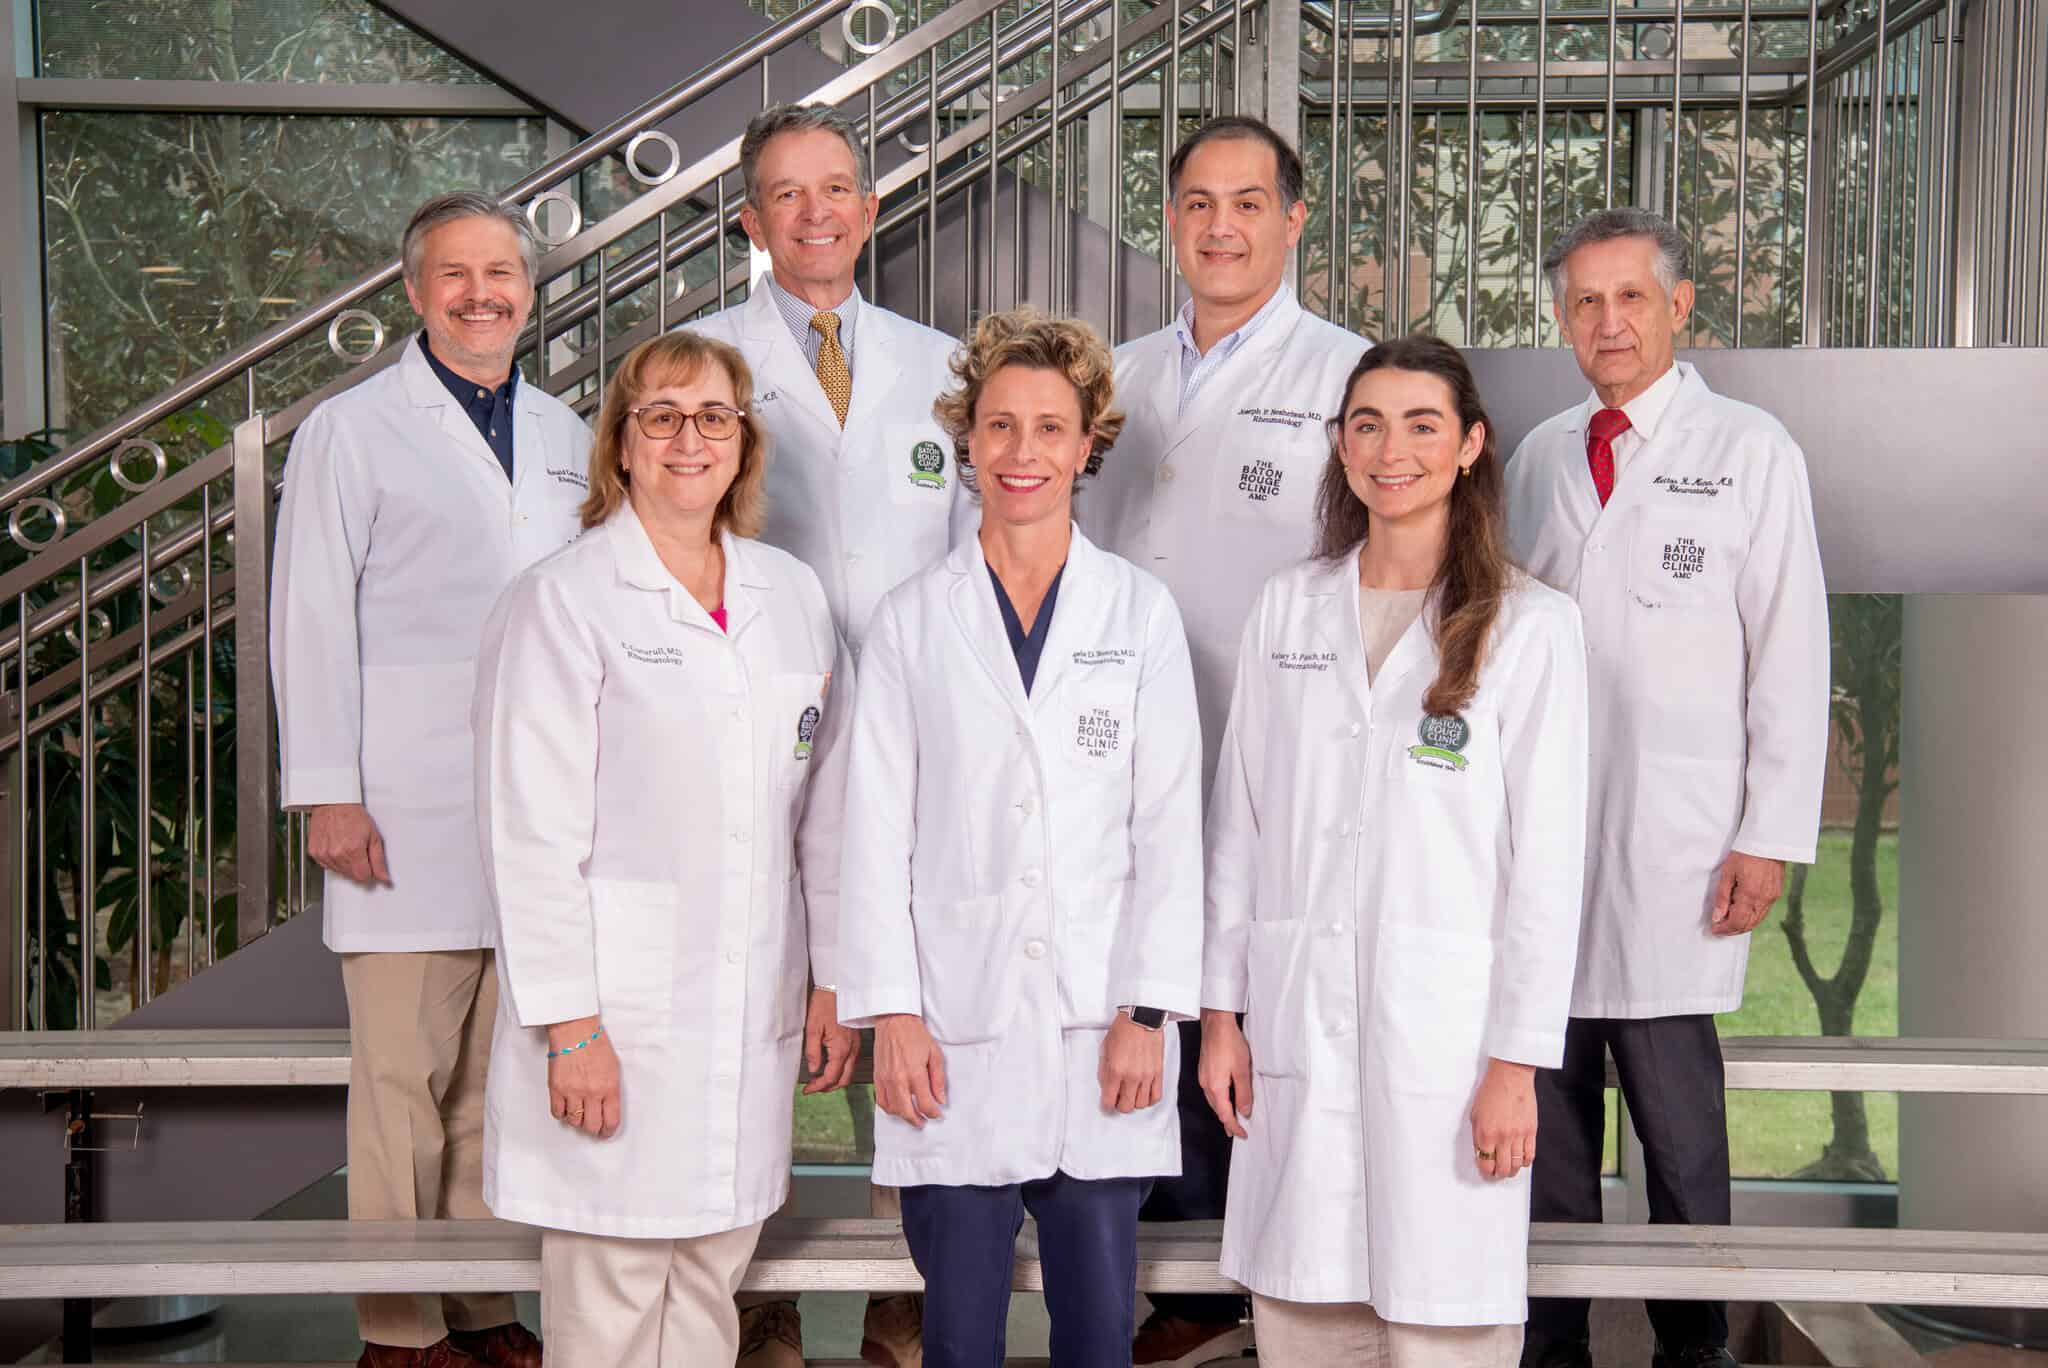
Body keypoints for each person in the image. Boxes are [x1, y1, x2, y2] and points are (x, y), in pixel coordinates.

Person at [471, 331, 859, 1366]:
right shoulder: (563, 599)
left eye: (714, 417)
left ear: (743, 445)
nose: (690, 438)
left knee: (704, 1295)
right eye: (662, 416)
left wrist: (831, 979)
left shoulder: (793, 597)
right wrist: (569, 1028)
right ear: (622, 445)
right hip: (616, 1020)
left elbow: (824, 809)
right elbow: (529, 833)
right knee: (606, 1309)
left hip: (747, 1014)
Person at [1200, 335, 1589, 1365]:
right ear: (1337, 445)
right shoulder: (1288, 607)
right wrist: (1218, 1013)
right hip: (1296, 1027)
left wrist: (1514, 1067)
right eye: (1365, 424)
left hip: (1449, 1045)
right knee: (1304, 1310)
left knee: (1440, 1316)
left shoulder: (1532, 628)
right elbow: (1237, 823)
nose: (1391, 449)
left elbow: (1546, 871)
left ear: (1469, 445)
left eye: (1421, 424)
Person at [836, 310, 1204, 1368]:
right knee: (956, 1337)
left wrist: (1146, 1010)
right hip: (948, 1032)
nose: (1022, 452)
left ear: (1088, 442)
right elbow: (871, 833)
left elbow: (1169, 825)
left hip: (1104, 1033)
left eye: (1049, 427)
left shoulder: (1137, 614)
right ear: (966, 440)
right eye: (999, 426)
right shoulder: (911, 620)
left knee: (1097, 1337)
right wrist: (892, 1016)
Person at [1504, 208, 1830, 1368]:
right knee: (1546, 1136)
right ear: (1559, 318)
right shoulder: (1538, 455)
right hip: (1543, 843)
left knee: (1680, 1140)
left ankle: (1694, 1349)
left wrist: (1766, 834)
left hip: (1678, 845)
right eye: (1583, 302)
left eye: (1629, 298)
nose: (1606, 322)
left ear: (1678, 307)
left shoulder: (1748, 450)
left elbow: (1788, 653)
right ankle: (1552, 1348)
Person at [271, 190, 590, 1368]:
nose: (480, 295)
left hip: (533, 805)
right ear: (414, 293)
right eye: (453, 276)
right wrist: (329, 790)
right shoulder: (351, 430)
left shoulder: (565, 433)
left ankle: (486, 1309)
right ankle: (398, 1332)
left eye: (500, 273)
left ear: (528, 288)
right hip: (398, 804)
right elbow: (307, 614)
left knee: (491, 1088)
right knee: (402, 1085)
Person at [1076, 112, 1370, 1364]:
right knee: (1133, 979)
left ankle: (1216, 1298)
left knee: (1233, 990)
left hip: (1272, 737)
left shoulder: (1344, 378)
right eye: (1196, 203)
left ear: (1292, 221)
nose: (1219, 227)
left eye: (1247, 203)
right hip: (1115, 735)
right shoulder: (1114, 379)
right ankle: (1146, 1280)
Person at [689, 98, 974, 1368]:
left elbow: (978, 545)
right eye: (787, 193)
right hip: (753, 718)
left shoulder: (941, 364)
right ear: (751, 221)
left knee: (901, 1001)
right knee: (761, 1002)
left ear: (869, 208)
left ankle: (900, 1296)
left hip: (908, 722)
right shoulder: (702, 360)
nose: (815, 211)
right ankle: (751, 1300)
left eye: (837, 187)